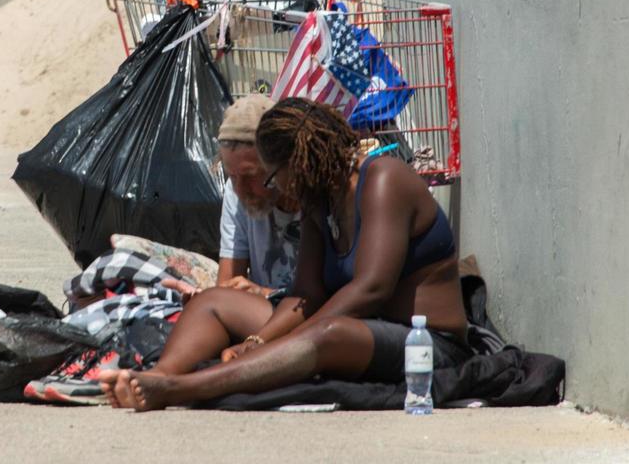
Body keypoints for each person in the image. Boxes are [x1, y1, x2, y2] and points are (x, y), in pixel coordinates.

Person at [99, 97, 471, 411]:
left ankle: (185, 389)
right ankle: (161, 375)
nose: (277, 188)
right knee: (216, 300)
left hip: (425, 345)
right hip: (352, 329)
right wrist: (256, 342)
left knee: (328, 333)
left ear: (301, 160)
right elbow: (304, 295)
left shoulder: (384, 180)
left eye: (274, 176)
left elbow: (371, 289)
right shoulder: (318, 199)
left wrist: (282, 343)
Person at [215, 94, 301, 294]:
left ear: (281, 165)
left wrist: (264, 294)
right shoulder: (235, 193)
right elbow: (226, 286)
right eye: (233, 176)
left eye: (250, 175)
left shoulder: (313, 196)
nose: (240, 190)